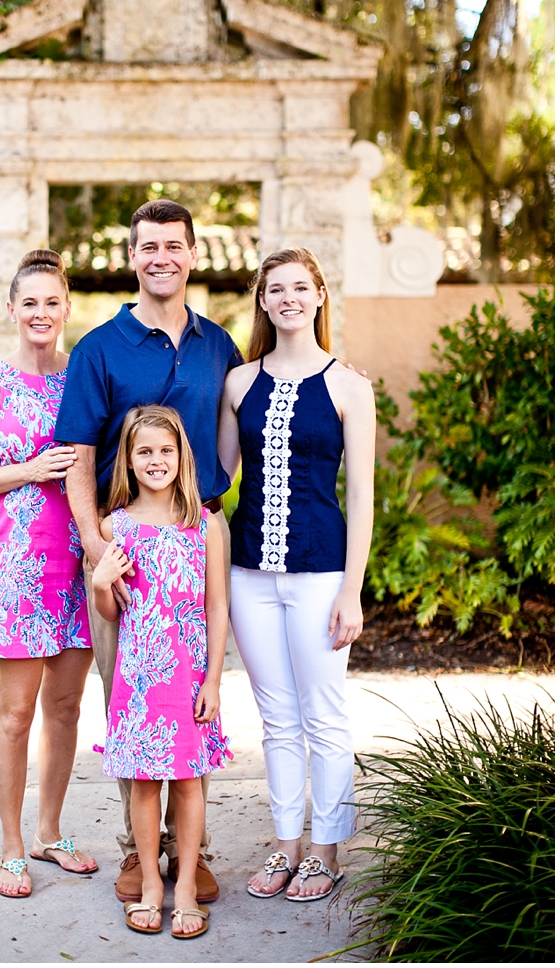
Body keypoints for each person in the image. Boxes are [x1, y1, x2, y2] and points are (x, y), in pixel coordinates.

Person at [53, 199, 243, 905]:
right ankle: (141, 849)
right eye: (148, 246)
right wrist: (97, 541)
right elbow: (77, 453)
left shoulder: (218, 344)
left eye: (174, 245)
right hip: (122, 553)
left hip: (193, 545)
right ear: (131, 257)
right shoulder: (99, 347)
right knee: (131, 700)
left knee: (192, 703)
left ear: (194, 254)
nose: (161, 256)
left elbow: (240, 418)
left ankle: (190, 852)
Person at [218, 248, 375, 902]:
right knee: (276, 717)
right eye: (274, 288)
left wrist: (352, 589)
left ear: (318, 295)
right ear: (261, 299)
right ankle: (286, 846)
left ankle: (326, 850)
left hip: (320, 573)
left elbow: (362, 493)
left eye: (298, 287)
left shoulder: (348, 385)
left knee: (325, 716)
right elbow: (216, 479)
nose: (287, 297)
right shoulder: (237, 383)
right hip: (249, 575)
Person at [0, 250, 97, 899]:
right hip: (16, 572)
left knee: (64, 708)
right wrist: (31, 470)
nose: (41, 312)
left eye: (51, 301)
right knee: (14, 716)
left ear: (67, 308)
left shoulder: (83, 378)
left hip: (78, 567)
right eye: (29, 302)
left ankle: (49, 830)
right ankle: (11, 845)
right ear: (12, 310)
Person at [91, 405, 230, 938]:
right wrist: (103, 582)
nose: (155, 461)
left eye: (165, 451)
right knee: (146, 786)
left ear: (181, 456)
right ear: (128, 458)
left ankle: (189, 885)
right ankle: (151, 882)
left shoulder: (204, 523)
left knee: (190, 783)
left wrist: (213, 680)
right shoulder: (116, 525)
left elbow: (216, 607)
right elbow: (111, 611)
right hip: (140, 676)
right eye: (144, 451)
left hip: (191, 673)